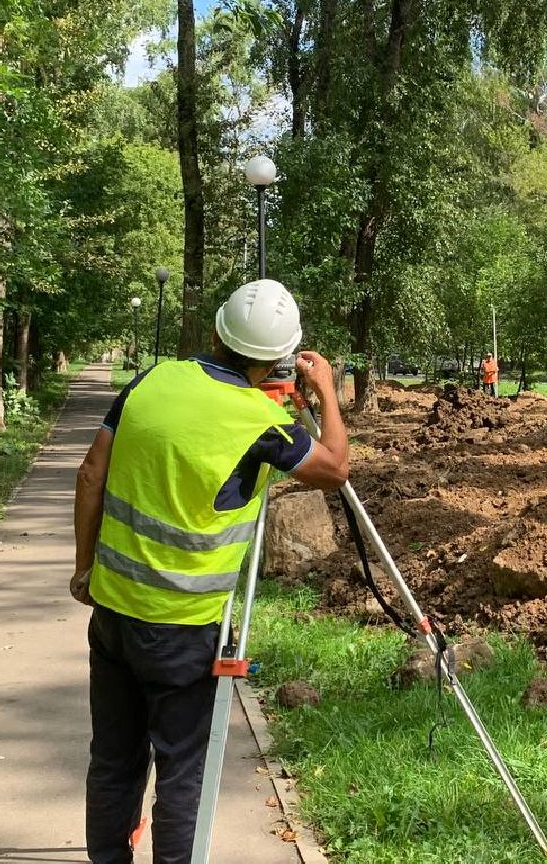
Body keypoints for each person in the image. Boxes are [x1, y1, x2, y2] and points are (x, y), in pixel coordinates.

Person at [70, 279, 349, 864]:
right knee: (182, 768)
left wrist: (84, 567)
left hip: (113, 610)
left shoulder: (151, 380)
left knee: (114, 757)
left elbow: (91, 472)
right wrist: (324, 390)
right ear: (280, 356)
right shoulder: (261, 423)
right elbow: (334, 469)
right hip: (185, 628)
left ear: (218, 332)